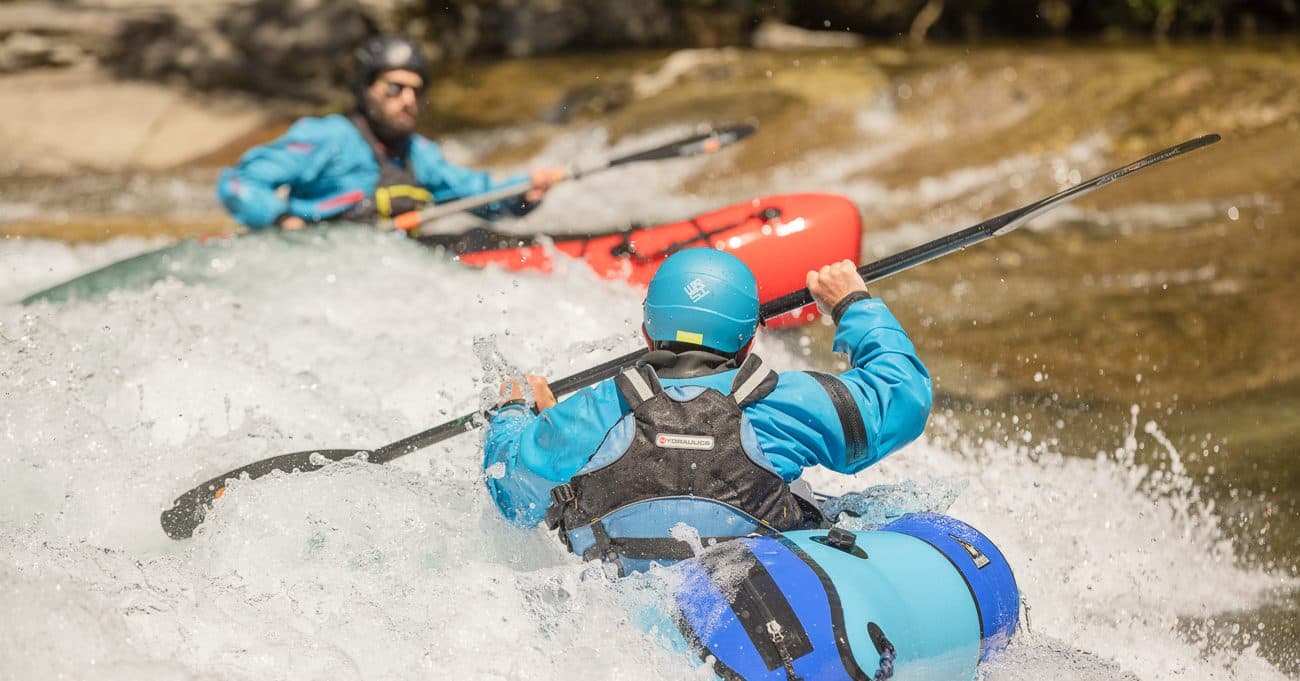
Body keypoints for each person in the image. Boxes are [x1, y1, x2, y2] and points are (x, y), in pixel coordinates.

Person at [482, 250, 932, 575]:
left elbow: (510, 490)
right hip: (758, 612)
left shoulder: (591, 413)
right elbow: (901, 397)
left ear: (646, 332)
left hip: (625, 625)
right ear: (750, 341)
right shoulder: (783, 404)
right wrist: (854, 304)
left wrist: (517, 412)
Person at [216, 35, 565, 230]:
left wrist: (524, 190)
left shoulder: (420, 154)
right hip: (317, 267)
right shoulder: (327, 137)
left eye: (416, 91)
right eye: (395, 88)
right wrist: (281, 219)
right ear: (366, 88)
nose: (409, 100)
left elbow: (476, 192)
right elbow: (236, 183)